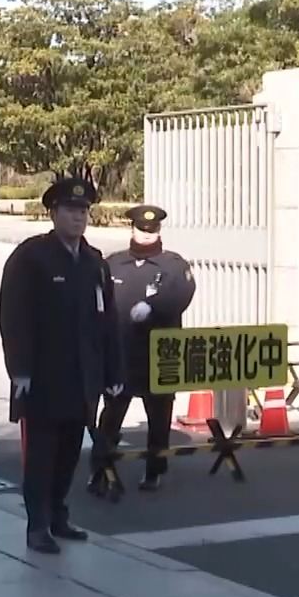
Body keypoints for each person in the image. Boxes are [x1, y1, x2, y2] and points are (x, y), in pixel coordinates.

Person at [0, 177, 125, 554]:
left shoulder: (94, 262)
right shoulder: (32, 257)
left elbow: (108, 321)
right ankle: (37, 525)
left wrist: (114, 372)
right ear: (53, 213)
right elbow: (14, 318)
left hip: (83, 378)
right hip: (43, 377)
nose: (78, 217)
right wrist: (19, 370)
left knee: (70, 453)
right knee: (41, 455)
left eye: (84, 211)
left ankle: (58, 515)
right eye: (71, 210)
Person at [88, 204, 197, 496]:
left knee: (159, 417)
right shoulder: (113, 264)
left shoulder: (173, 265)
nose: (147, 235)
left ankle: (154, 471)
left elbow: (183, 293)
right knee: (111, 415)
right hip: (122, 353)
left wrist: (154, 306)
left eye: (152, 230)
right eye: (141, 229)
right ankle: (100, 470)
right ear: (132, 229)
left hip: (160, 355)